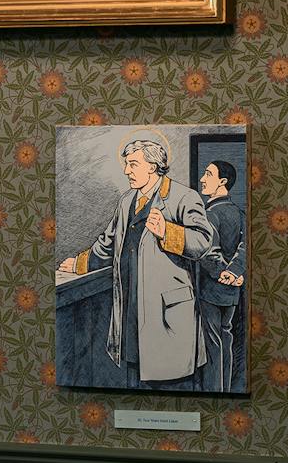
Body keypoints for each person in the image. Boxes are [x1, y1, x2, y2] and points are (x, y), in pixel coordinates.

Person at [57, 134, 214, 386]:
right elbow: (108, 243)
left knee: (172, 380)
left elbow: (204, 242)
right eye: (126, 164)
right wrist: (80, 264)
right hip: (131, 302)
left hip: (167, 307)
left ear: (152, 167)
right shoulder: (126, 201)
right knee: (136, 373)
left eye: (133, 164)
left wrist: (168, 231)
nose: (127, 171)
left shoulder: (184, 197)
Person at [195, 159, 245, 392]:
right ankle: (224, 391)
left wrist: (223, 272)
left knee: (212, 344)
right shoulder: (239, 213)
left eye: (208, 174)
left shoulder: (209, 214)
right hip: (232, 289)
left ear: (222, 181)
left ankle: (215, 392)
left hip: (211, 290)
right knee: (226, 337)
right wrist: (234, 272)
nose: (203, 179)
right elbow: (245, 247)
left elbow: (207, 252)